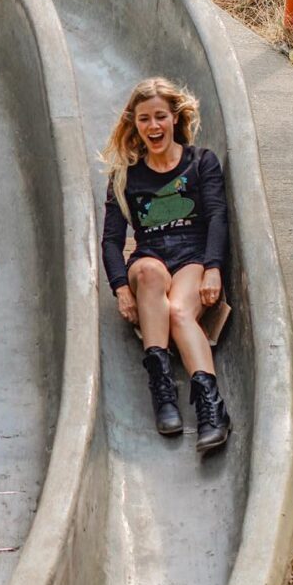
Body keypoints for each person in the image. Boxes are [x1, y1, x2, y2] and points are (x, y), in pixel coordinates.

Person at [100, 76, 231, 454]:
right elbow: (111, 241)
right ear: (135, 124)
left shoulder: (200, 162)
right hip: (152, 256)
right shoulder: (126, 175)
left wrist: (213, 267)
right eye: (144, 119)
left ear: (175, 118)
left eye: (160, 117)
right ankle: (163, 392)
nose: (153, 126)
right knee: (148, 272)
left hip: (192, 257)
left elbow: (218, 217)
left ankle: (210, 407)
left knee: (178, 312)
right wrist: (121, 288)